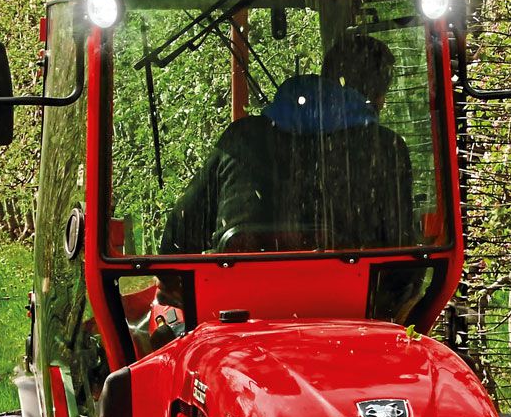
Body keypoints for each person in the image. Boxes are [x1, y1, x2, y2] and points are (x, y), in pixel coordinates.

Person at [161, 33, 415, 254]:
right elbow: (405, 254)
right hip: (357, 302)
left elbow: (179, 239)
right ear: (377, 96)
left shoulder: (244, 139)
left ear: (326, 77)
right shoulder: (385, 149)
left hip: (238, 301)